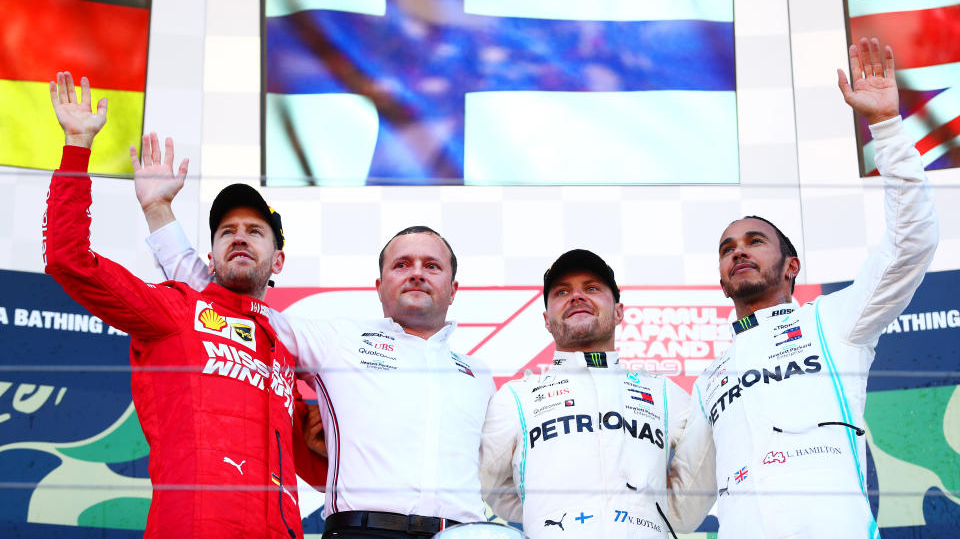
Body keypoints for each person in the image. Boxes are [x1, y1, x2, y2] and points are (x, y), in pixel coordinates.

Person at [43, 72, 325, 538]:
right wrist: (77, 146)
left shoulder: (284, 352)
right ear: (209, 258)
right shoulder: (174, 311)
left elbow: (314, 470)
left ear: (278, 259)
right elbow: (69, 260)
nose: (239, 236)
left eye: (255, 231)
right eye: (226, 231)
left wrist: (325, 442)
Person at [139, 175, 496, 537]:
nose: (417, 274)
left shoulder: (480, 375)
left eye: (432, 266)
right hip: (364, 530)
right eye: (401, 265)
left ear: (453, 290)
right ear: (379, 285)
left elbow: (504, 470)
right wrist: (158, 213)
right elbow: (224, 310)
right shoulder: (338, 341)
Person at [681, 38, 939, 538]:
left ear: (791, 265)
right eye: (727, 247)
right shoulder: (709, 380)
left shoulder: (834, 322)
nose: (738, 251)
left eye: (755, 241)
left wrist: (886, 128)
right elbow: (677, 501)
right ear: (720, 280)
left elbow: (912, 243)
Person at [479, 249, 715, 538]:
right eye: (562, 292)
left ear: (618, 311)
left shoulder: (663, 393)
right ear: (546, 319)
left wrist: (654, 517)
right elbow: (481, 482)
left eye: (591, 288)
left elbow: (697, 482)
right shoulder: (518, 397)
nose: (576, 296)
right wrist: (545, 513)